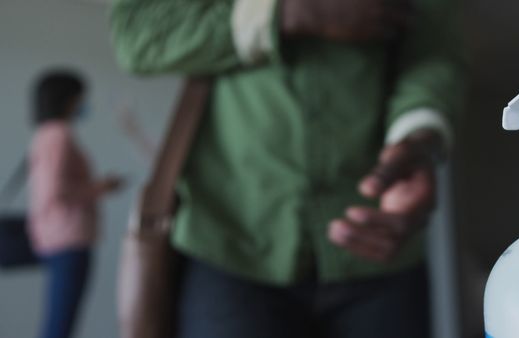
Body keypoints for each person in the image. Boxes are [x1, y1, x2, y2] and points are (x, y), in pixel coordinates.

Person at [110, 0, 464, 336]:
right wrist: (288, 13)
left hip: (379, 245)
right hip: (231, 239)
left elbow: (433, 52)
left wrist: (418, 137)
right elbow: (139, 33)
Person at [28, 70, 123, 338]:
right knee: (59, 328)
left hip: (55, 236)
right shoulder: (59, 136)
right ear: (68, 99)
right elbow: (54, 192)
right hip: (67, 238)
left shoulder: (45, 134)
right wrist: (100, 187)